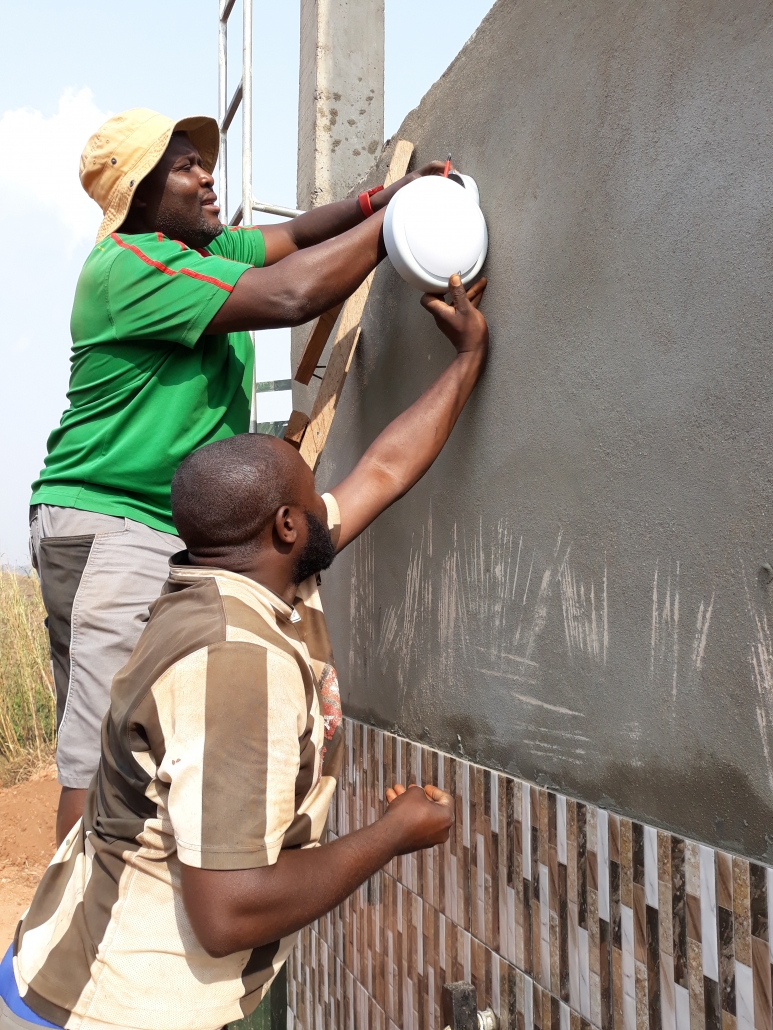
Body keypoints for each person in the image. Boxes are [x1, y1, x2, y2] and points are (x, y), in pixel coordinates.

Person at [2, 270, 489, 1030]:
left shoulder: (231, 577)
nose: (328, 502)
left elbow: (384, 470)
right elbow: (228, 912)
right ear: (288, 528)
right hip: (103, 1012)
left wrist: (466, 358)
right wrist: (393, 835)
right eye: (312, 495)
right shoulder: (235, 661)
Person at [28, 107, 451, 846]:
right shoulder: (130, 266)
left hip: (162, 527)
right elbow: (292, 293)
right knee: (100, 757)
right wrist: (404, 224)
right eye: (184, 167)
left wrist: (375, 201)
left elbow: (295, 238)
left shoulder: (199, 248)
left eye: (202, 162)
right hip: (112, 523)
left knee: (149, 734)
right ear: (140, 194)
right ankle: (76, 912)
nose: (207, 176)